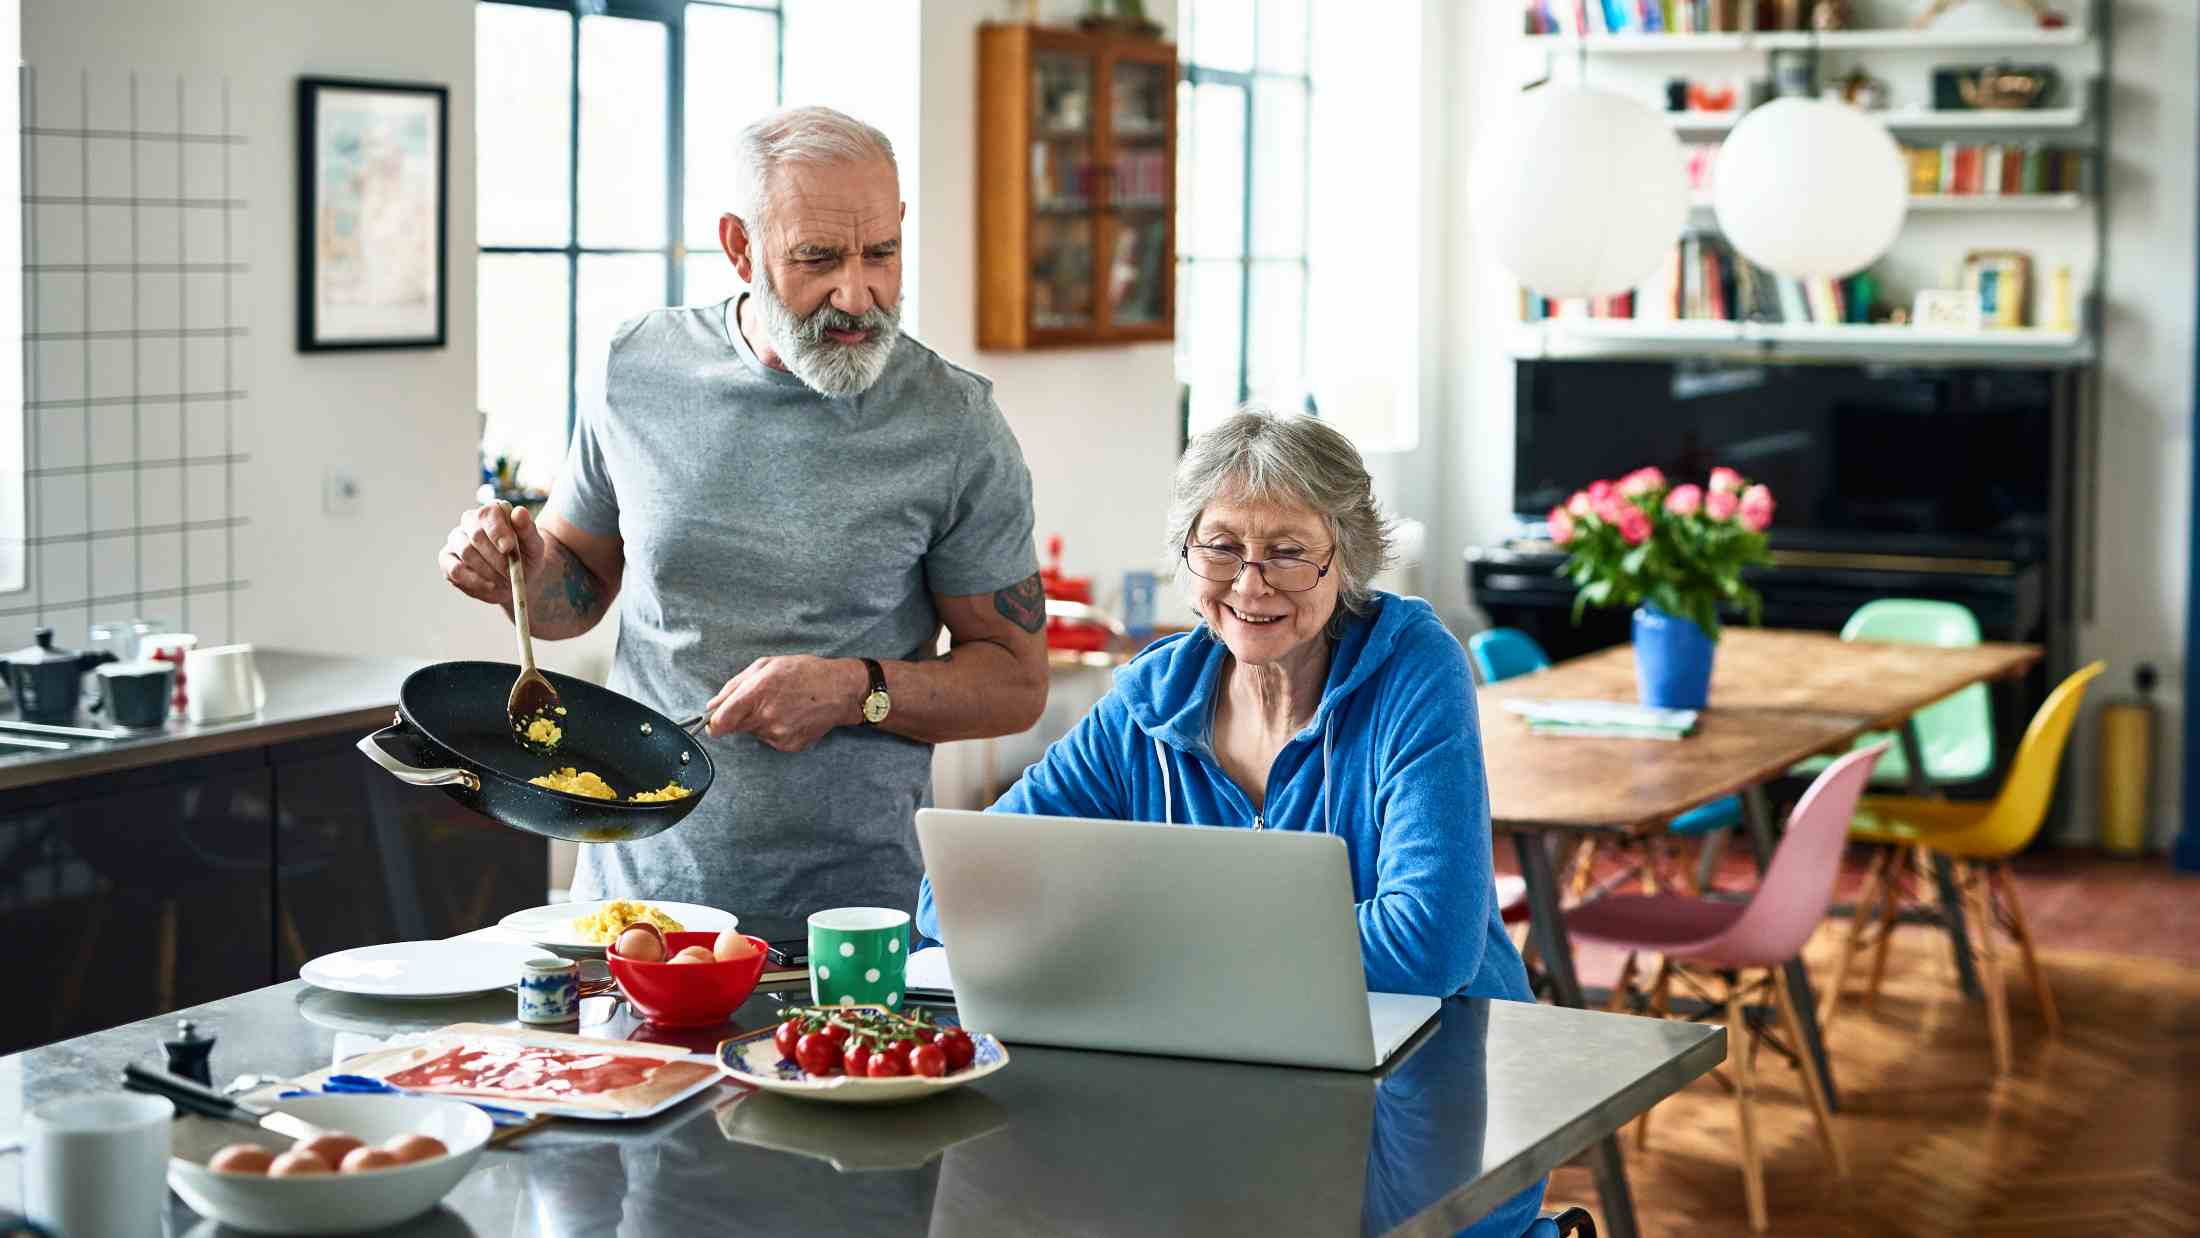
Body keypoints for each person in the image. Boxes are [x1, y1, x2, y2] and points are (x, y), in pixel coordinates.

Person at [440, 106, 1048, 925]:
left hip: (850, 921)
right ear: (739, 247)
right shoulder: (636, 369)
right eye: (818, 258)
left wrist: (853, 690)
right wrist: (512, 569)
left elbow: (1014, 683)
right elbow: (572, 595)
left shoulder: (955, 425)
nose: (857, 293)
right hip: (634, 911)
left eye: (882, 254)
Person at [917, 408, 1533, 1003]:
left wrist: (1152, 939)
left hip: (1437, 1052)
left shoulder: (1414, 669)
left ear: (1348, 561)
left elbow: (1430, 944)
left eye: (1289, 552)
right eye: (1221, 546)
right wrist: (1199, 947)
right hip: (1229, 1045)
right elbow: (952, 894)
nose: (1249, 582)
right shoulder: (1151, 702)